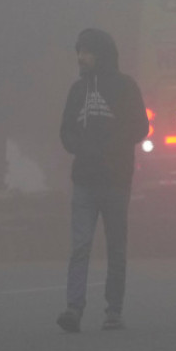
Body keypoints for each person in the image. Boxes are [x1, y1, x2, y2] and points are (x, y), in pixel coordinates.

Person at [56, 28, 149, 333]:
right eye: (79, 51)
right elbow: (66, 131)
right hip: (83, 180)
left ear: (102, 54)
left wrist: (110, 146)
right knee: (80, 245)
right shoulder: (77, 91)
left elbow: (141, 127)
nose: (81, 57)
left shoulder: (125, 87)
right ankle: (73, 308)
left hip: (116, 180)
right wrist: (81, 147)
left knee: (116, 247)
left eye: (86, 51)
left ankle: (114, 310)